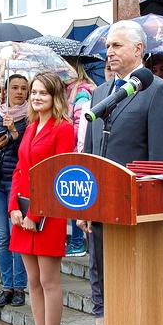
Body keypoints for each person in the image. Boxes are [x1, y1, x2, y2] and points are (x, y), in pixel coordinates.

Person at [77, 20, 163, 325]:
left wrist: (150, 211)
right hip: (102, 213)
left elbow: (160, 162)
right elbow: (90, 154)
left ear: (139, 50)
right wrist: (85, 205)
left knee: (136, 296)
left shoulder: (158, 92)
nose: (109, 52)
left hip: (136, 216)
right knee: (107, 293)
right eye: (107, 46)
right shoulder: (102, 93)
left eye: (117, 45)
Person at [9, 72, 76, 325]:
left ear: (55, 97)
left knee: (49, 281)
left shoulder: (64, 129)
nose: (36, 97)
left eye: (42, 93)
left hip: (47, 214)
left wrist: (34, 214)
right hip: (23, 213)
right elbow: (19, 169)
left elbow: (58, 174)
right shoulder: (30, 126)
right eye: (34, 92)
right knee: (33, 282)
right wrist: (13, 207)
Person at [0, 74, 29, 307]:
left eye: (23, 88)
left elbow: (27, 152)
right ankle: (7, 287)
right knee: (2, 237)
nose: (19, 92)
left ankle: (20, 287)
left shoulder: (30, 119)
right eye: (14, 87)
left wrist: (13, 132)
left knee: (17, 235)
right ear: (6, 90)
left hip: (17, 183)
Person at [64, 61, 94, 257]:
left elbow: (79, 127)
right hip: (72, 151)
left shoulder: (81, 92)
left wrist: (63, 131)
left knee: (76, 200)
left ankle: (77, 242)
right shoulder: (69, 90)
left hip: (76, 153)